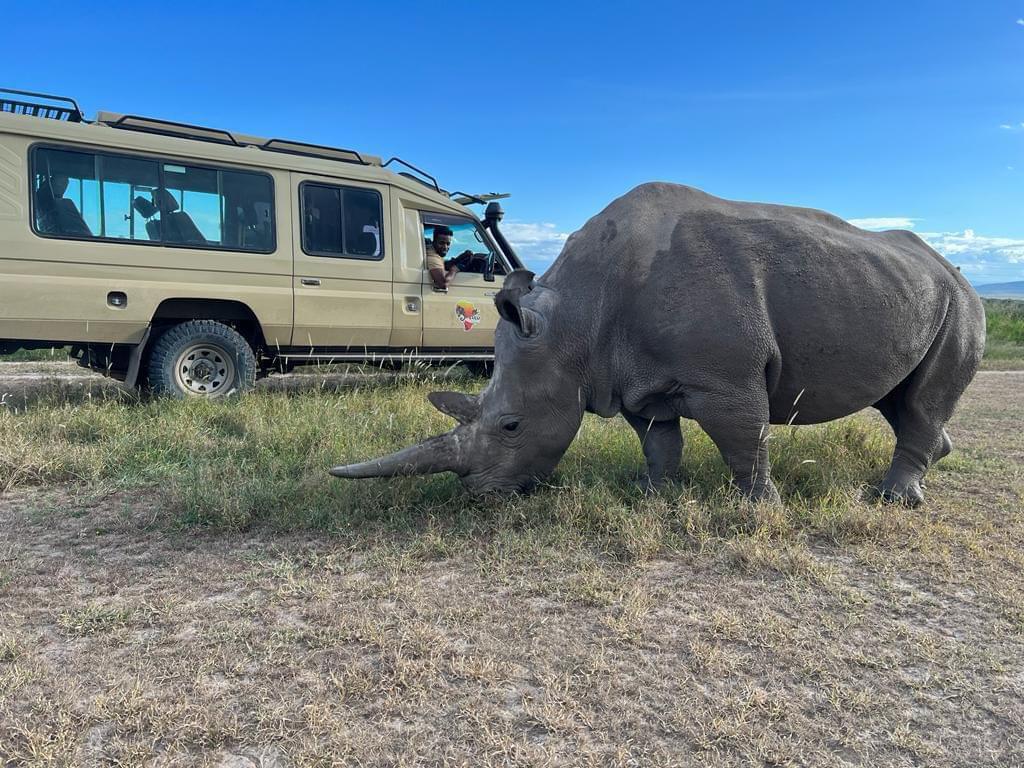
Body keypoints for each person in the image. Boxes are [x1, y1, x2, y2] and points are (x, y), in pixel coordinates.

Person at [425, 225, 460, 289]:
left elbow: (442, 263)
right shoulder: (433, 257)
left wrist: (459, 258)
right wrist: (454, 270)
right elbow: (443, 284)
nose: (445, 247)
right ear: (434, 242)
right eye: (441, 243)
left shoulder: (433, 251)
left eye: (448, 244)